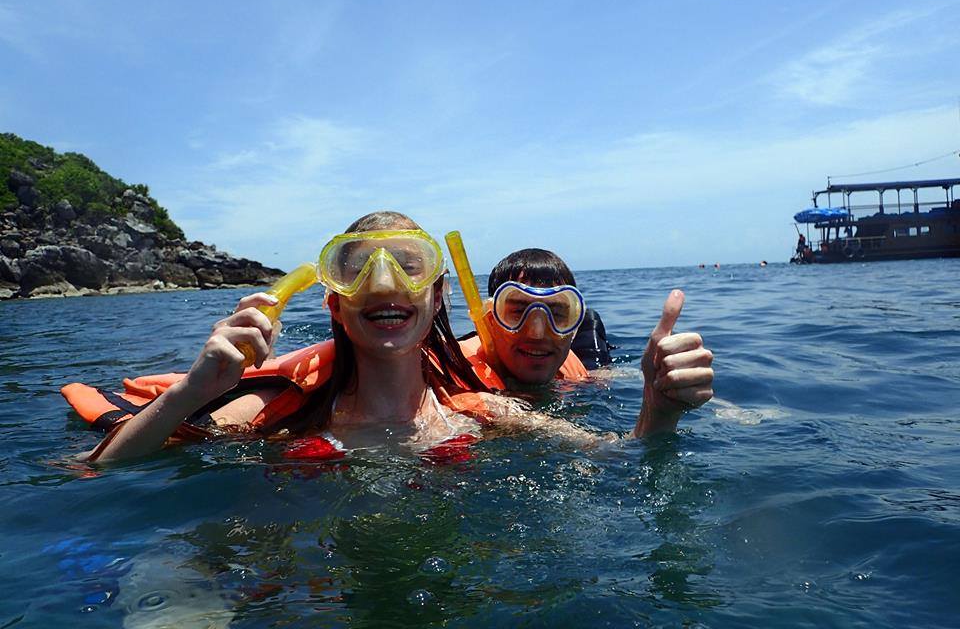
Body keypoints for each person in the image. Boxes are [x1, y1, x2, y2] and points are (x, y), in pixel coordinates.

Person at [68, 214, 683, 463]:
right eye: (358, 267)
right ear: (335, 299)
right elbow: (101, 468)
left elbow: (615, 456)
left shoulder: (479, 411)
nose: (384, 284)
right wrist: (196, 387)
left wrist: (658, 406)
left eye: (409, 266)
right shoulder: (281, 411)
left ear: (437, 295)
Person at [455, 248, 714, 436]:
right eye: (517, 310)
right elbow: (609, 454)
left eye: (557, 313)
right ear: (489, 318)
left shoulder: (571, 369)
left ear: (574, 323)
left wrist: (662, 390)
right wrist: (657, 417)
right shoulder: (453, 375)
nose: (537, 333)